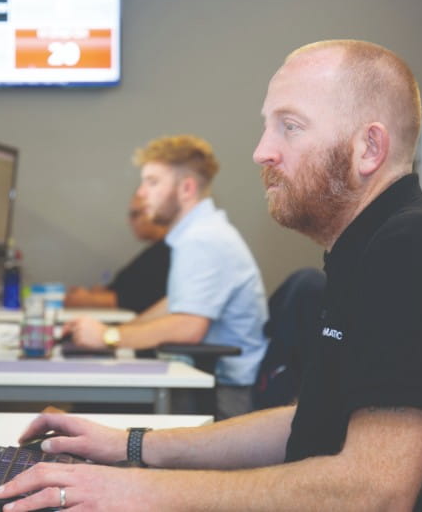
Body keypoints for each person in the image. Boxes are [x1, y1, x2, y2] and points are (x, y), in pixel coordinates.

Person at [0, 40, 422, 511]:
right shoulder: (365, 248)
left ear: (368, 147)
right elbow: (309, 423)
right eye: (267, 127)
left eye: (289, 127)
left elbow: (375, 492)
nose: (261, 152)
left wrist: (134, 490)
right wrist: (131, 445)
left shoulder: (412, 245)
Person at [64, 134, 269, 419]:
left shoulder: (203, 239)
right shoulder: (197, 233)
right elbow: (176, 303)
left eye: (152, 182)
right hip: (207, 381)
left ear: (186, 188)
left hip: (224, 395)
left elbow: (188, 326)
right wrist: (114, 333)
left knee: (92, 410)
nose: (142, 192)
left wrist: (109, 336)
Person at [64, 193, 170, 313]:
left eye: (135, 214)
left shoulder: (165, 253)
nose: (130, 221)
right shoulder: (156, 251)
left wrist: (88, 300)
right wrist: (96, 294)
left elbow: (138, 300)